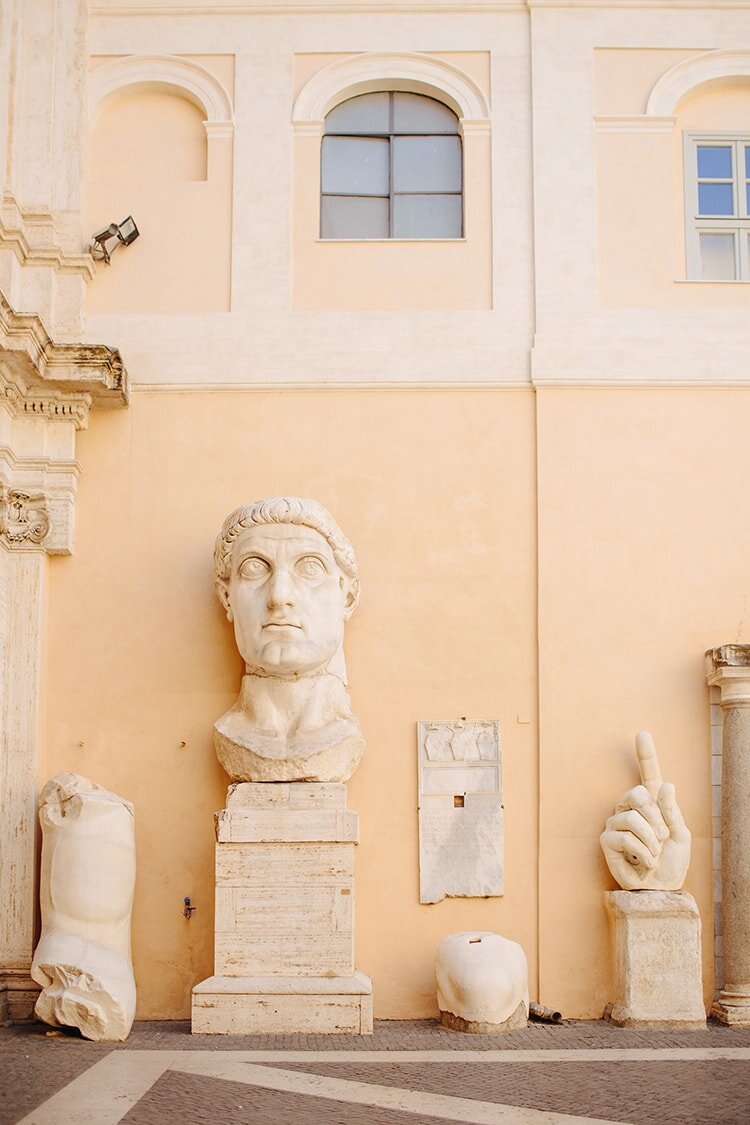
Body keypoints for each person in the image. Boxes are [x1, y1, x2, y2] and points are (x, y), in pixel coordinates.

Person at [213, 497, 365, 783]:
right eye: (254, 568)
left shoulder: (342, 736)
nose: (279, 596)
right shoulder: (231, 733)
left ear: (347, 596)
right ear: (227, 598)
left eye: (309, 567)